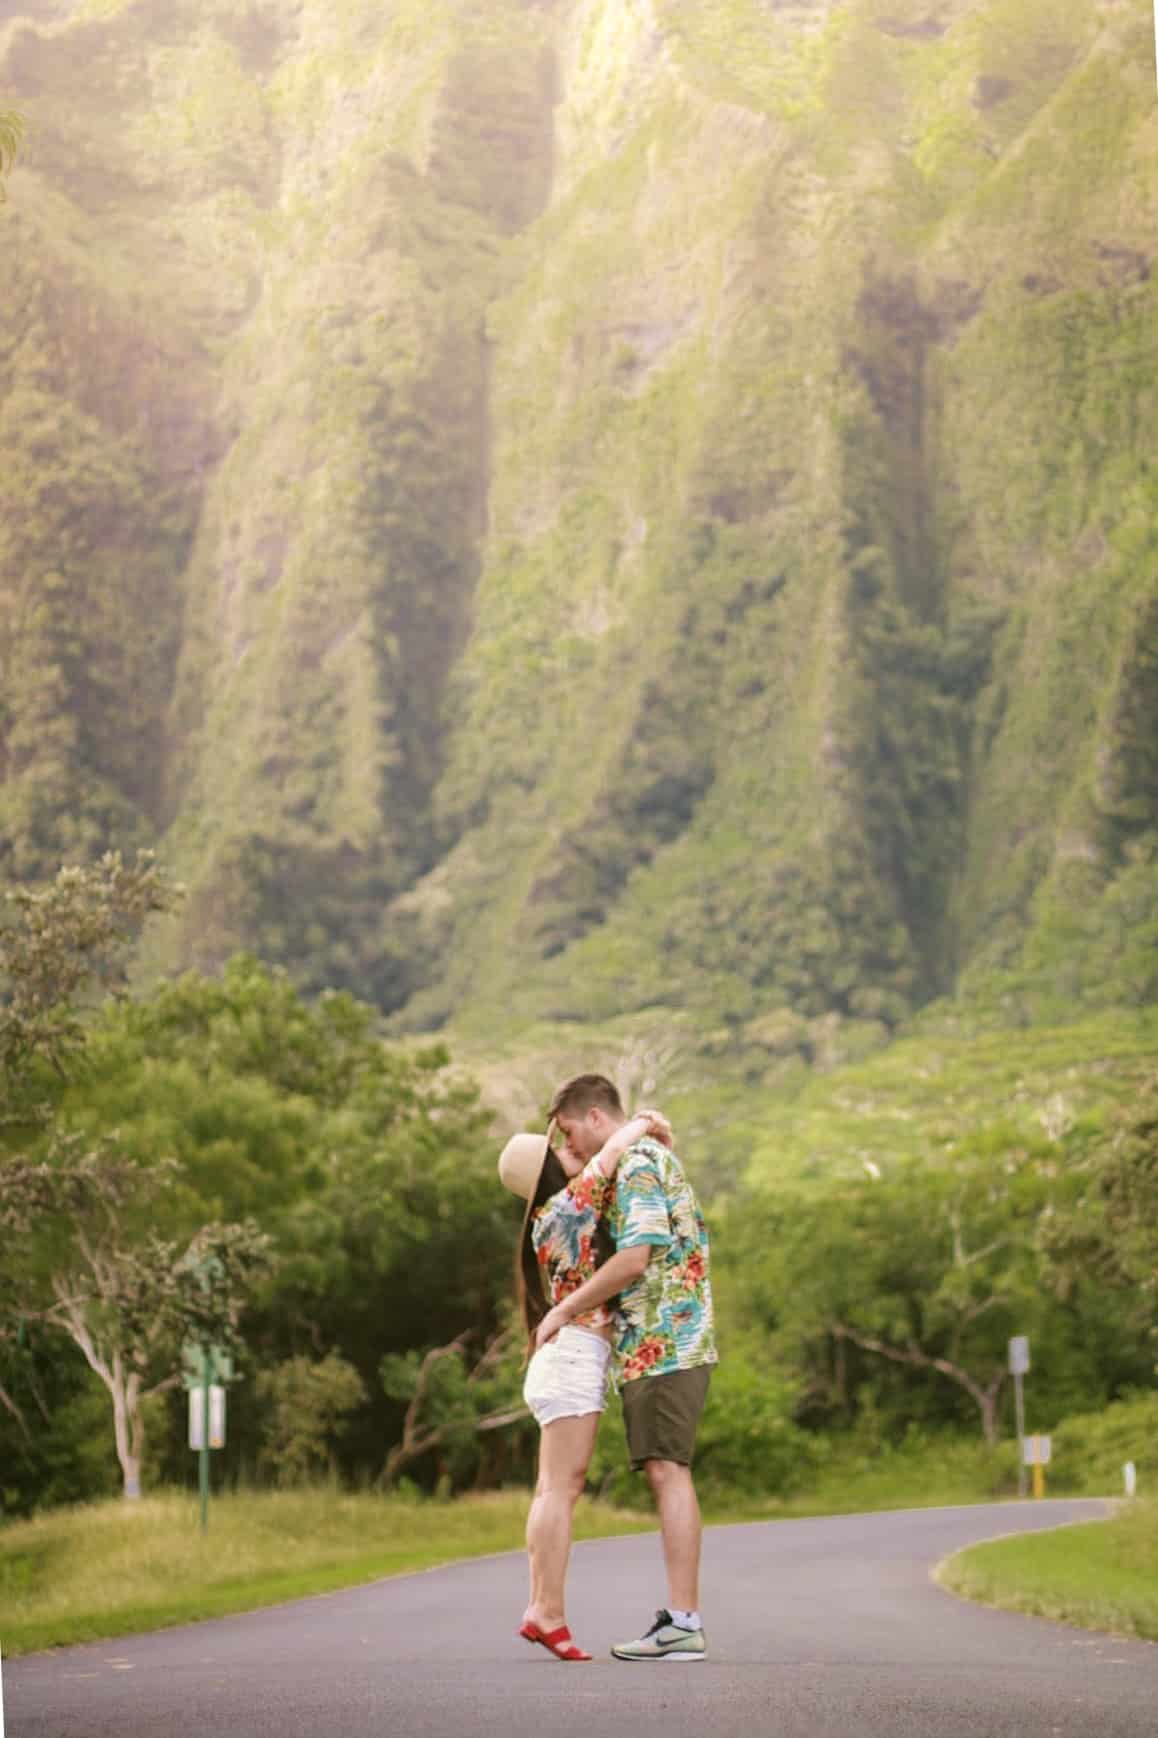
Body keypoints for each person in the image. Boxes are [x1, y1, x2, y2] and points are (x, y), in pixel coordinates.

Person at [535, 1074, 717, 1662]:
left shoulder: (636, 1162)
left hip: (663, 1340)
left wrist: (561, 1310)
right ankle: (682, 1619)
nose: (572, 1147)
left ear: (592, 1117)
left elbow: (636, 1258)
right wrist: (644, 1123)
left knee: (668, 1470)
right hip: (658, 1342)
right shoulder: (630, 1162)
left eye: (568, 1132)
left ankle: (684, 1622)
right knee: (666, 1469)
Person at [498, 1106, 672, 1662]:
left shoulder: (552, 1216)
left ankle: (540, 1605)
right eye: (564, 1152)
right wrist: (643, 1122)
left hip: (565, 1358)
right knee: (560, 1491)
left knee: (553, 1490)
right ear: (550, 1170)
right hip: (572, 1357)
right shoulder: (563, 1208)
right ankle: (546, 1611)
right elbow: (609, 1158)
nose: (574, 1153)